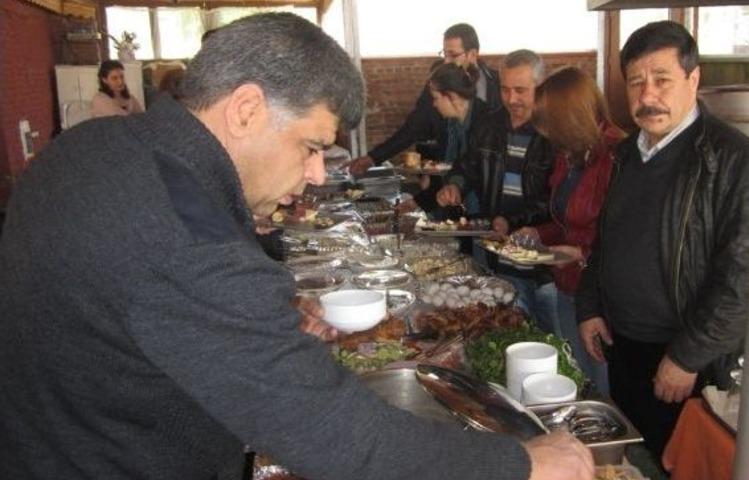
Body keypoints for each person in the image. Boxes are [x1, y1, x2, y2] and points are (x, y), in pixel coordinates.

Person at [0, 13, 594, 480]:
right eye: (311, 146)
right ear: (247, 109)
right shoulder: (181, 232)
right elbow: (338, 439)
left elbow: (140, 304)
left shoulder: (96, 146)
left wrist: (259, 314)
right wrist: (521, 464)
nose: (315, 173)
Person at [576, 21, 749, 458]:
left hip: (685, 359)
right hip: (624, 347)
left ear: (693, 79)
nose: (648, 96)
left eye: (662, 80)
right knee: (634, 458)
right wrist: (590, 305)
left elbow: (743, 276)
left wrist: (687, 356)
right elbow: (606, 240)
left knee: (679, 464)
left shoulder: (733, 160)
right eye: (636, 83)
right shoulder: (625, 154)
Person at [511, 67, 625, 396]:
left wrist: (581, 254)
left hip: (600, 295)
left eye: (550, 124)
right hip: (567, 284)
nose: (545, 134)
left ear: (571, 118)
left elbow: (624, 238)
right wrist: (538, 233)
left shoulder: (617, 156)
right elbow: (565, 220)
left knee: (602, 382)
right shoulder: (571, 154)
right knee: (579, 375)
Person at [436, 49, 555, 323]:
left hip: (538, 263)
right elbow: (468, 166)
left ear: (540, 86)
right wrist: (455, 185)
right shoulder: (489, 124)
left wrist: (510, 219)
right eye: (504, 90)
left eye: (520, 90)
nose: (511, 99)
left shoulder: (552, 132)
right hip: (495, 254)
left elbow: (553, 199)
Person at [349, 23, 501, 175]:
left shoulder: (499, 85)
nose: (447, 61)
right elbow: (413, 128)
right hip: (449, 179)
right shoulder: (436, 85)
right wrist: (373, 158)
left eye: (453, 55)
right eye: (444, 54)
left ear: (472, 54)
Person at [412, 62, 492, 213]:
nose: (434, 104)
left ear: (452, 96)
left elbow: (473, 170)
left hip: (481, 207)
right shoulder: (452, 123)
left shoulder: (484, 123)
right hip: (459, 201)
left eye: (436, 98)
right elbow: (450, 166)